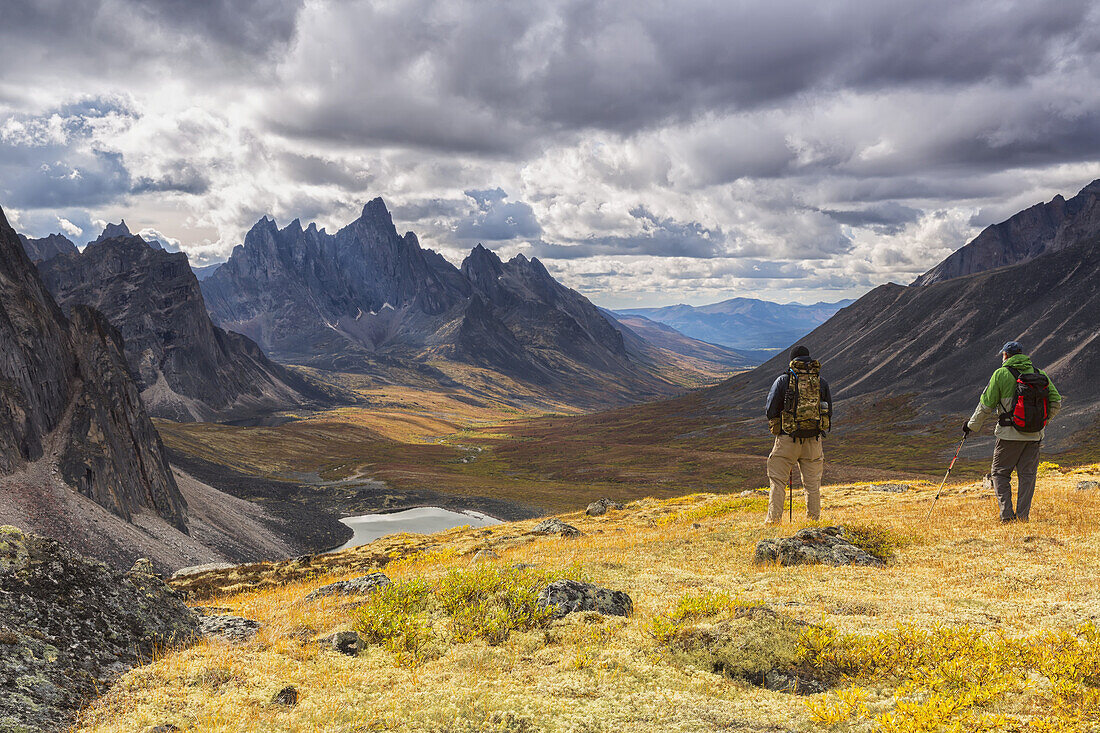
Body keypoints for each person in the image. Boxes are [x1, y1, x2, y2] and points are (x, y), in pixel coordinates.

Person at [965, 341, 1062, 523]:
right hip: (1034, 436)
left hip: (1008, 436)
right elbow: (1056, 402)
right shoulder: (1039, 374)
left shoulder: (1001, 374)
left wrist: (971, 426)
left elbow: (985, 405)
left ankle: (1007, 516)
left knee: (1000, 474)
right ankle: (1023, 518)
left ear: (1006, 355)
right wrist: (1041, 422)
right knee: (1028, 476)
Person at [764, 345, 832, 524]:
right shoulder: (820, 381)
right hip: (814, 440)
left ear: (792, 360)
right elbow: (828, 410)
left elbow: (771, 409)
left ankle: (773, 523)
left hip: (788, 439)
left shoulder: (783, 380)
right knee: (812, 485)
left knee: (778, 482)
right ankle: (813, 523)